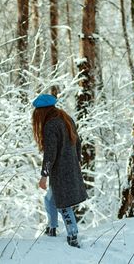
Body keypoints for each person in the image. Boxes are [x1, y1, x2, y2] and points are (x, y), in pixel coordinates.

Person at [32, 94, 88, 248]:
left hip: (60, 172)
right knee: (50, 199)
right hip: (70, 168)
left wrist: (44, 176)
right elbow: (78, 143)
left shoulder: (50, 125)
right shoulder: (67, 119)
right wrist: (76, 162)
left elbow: (50, 154)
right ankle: (52, 228)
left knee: (63, 204)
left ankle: (73, 235)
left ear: (42, 111)